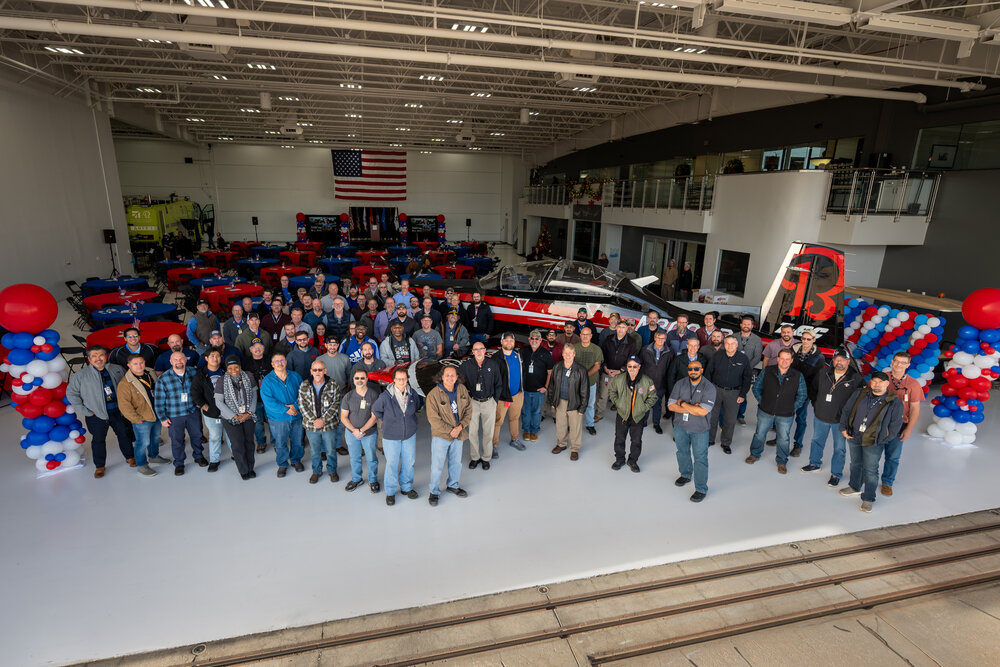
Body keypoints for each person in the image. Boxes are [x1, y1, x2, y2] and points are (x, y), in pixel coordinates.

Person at [839, 372, 904, 513]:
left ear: (887, 384)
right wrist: (843, 427)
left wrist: (882, 440)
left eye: (880, 382)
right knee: (855, 463)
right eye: (874, 381)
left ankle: (868, 498)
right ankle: (854, 486)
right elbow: (846, 410)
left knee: (870, 470)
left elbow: (896, 425)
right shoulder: (860, 393)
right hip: (854, 436)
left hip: (874, 441)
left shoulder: (893, 401)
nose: (877, 384)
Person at [67, 346, 135, 478]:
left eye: (101, 355)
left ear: (106, 356)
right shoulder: (80, 375)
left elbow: (128, 386)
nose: (98, 358)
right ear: (89, 359)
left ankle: (130, 457)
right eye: (94, 356)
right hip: (96, 415)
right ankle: (100, 466)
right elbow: (72, 394)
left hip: (117, 412)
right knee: (98, 440)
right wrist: (85, 411)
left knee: (124, 435)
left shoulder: (117, 369)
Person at [801, 348, 861, 487]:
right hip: (821, 416)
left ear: (848, 361)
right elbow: (813, 389)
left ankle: (836, 474)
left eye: (842, 360)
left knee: (839, 448)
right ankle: (814, 463)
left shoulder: (855, 378)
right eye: (836, 359)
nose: (839, 362)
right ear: (833, 360)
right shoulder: (823, 372)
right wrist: (816, 405)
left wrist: (851, 418)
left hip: (840, 421)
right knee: (816, 441)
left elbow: (860, 400)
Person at [747, 349, 808, 474]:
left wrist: (792, 408)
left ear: (791, 361)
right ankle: (754, 454)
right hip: (765, 411)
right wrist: (762, 401)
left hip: (785, 414)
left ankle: (781, 462)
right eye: (782, 358)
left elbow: (802, 395)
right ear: (778, 359)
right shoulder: (768, 371)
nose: (784, 361)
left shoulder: (797, 375)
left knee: (783, 439)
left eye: (787, 359)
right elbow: (756, 387)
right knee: (759, 434)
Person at [372, 368, 424, 506]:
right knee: (392, 464)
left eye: (404, 378)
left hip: (409, 435)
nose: (402, 381)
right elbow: (376, 410)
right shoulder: (385, 396)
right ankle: (390, 491)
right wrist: (390, 420)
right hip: (391, 436)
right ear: (393, 380)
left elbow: (417, 406)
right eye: (399, 379)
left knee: (409, 462)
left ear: (407, 379)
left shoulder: (412, 393)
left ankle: (406, 487)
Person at [668, 357, 716, 502]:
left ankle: (701, 488)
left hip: (699, 429)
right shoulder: (680, 383)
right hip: (680, 427)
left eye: (696, 369)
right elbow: (671, 406)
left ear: (701, 370)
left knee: (700, 458)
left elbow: (703, 412)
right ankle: (685, 474)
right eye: (690, 369)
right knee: (681, 452)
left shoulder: (709, 387)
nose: (693, 371)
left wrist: (682, 403)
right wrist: (693, 407)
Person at [116, 353, 170, 477]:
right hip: (142, 418)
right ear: (129, 365)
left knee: (155, 437)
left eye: (141, 362)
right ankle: (142, 465)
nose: (139, 366)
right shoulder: (125, 383)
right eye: (135, 364)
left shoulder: (150, 374)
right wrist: (136, 419)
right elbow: (124, 405)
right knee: (142, 442)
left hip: (156, 414)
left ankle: (154, 456)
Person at [154, 350, 207, 475]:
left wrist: (201, 401)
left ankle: (198, 456)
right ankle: (179, 463)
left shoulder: (193, 372)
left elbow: (202, 389)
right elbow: (159, 400)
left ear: (185, 360)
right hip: (174, 414)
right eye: (176, 359)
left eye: (181, 359)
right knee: (177, 440)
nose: (179, 362)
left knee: (197, 435)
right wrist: (162, 417)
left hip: (192, 412)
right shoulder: (163, 378)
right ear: (171, 362)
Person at [880, 351, 925, 496]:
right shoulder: (880, 378)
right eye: (896, 361)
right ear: (892, 361)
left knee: (893, 456)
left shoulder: (913, 384)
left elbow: (915, 409)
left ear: (908, 365)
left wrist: (909, 429)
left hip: (899, 426)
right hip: (878, 424)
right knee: (871, 454)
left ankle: (887, 482)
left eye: (903, 362)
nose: (899, 364)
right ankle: (867, 478)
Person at [425, 366, 472, 506]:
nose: (450, 378)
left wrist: (460, 427)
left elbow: (469, 410)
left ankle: (453, 485)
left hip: (459, 433)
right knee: (437, 465)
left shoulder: (462, 390)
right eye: (447, 375)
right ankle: (434, 491)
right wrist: (452, 430)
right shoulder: (433, 394)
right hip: (441, 436)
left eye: (453, 375)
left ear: (457, 377)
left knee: (456, 463)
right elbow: (433, 419)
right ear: (442, 376)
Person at [608, 355, 658, 473]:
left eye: (635, 366)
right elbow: (612, 391)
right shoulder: (618, 379)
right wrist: (618, 403)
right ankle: (619, 459)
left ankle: (633, 460)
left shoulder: (647, 381)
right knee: (619, 438)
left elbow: (653, 397)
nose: (632, 369)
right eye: (630, 366)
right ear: (627, 367)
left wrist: (643, 408)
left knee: (636, 440)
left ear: (639, 367)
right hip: (622, 414)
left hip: (638, 416)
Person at [704, 335, 752, 455]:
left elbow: (747, 378)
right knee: (712, 417)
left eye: (732, 344)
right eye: (727, 343)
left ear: (736, 345)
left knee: (730, 420)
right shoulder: (717, 356)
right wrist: (708, 389)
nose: (730, 346)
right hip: (716, 390)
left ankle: (726, 443)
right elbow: (708, 372)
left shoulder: (743, 358)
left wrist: (742, 394)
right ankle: (710, 440)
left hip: (734, 393)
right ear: (724, 345)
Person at [260, 352, 305, 478]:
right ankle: (282, 463)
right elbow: (268, 401)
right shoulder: (268, 381)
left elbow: (303, 393)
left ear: (286, 362)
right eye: (277, 361)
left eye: (282, 360)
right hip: (278, 418)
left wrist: (295, 407)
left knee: (297, 441)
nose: (280, 363)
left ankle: (296, 460)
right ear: (272, 364)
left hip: (296, 415)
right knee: (280, 443)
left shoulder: (295, 376)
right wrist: (286, 409)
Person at [459, 341, 503, 469]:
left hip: (489, 402)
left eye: (481, 349)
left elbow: (498, 384)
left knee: (488, 432)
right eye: (476, 350)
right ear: (472, 352)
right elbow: (459, 383)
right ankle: (475, 457)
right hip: (473, 402)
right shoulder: (466, 365)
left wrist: (494, 400)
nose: (478, 352)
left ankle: (486, 458)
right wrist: (465, 400)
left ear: (485, 350)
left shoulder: (492, 364)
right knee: (472, 432)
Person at [299, 360, 342, 484]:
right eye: (315, 370)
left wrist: (323, 420)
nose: (317, 372)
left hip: (329, 425)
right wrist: (314, 421)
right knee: (314, 451)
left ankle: (332, 470)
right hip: (311, 426)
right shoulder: (304, 385)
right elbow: (302, 405)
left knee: (330, 450)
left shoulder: (333, 384)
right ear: (311, 371)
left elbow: (335, 404)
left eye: (320, 369)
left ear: (325, 371)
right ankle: (316, 471)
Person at [215, 356, 258, 480]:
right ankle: (243, 470)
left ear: (240, 366)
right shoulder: (221, 381)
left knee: (249, 443)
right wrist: (235, 416)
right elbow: (219, 402)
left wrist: (249, 413)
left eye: (236, 367)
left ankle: (251, 467)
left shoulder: (248, 376)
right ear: (226, 368)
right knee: (237, 444)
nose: (233, 370)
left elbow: (254, 395)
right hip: (230, 418)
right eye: (230, 368)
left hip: (248, 415)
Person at [340, 369, 380, 493]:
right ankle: (357, 479)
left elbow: (374, 418)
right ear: (353, 380)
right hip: (352, 434)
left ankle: (373, 480)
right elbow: (343, 417)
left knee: (371, 458)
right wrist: (354, 431)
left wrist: (361, 430)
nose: (359, 380)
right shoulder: (348, 396)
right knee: (354, 457)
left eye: (362, 378)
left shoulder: (374, 395)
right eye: (357, 378)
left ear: (367, 379)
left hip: (369, 433)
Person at [547, 344, 589, 461]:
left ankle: (574, 449)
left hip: (575, 403)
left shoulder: (581, 370)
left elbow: (585, 390)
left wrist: (582, 408)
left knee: (575, 427)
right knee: (561, 425)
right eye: (566, 353)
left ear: (574, 354)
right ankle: (561, 444)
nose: (568, 355)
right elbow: (552, 385)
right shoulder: (557, 367)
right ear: (562, 354)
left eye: (570, 353)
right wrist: (552, 400)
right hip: (560, 401)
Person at [789, 328, 826, 455]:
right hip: (789, 389)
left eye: (808, 339)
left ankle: (798, 445)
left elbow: (816, 380)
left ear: (814, 340)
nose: (805, 341)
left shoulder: (819, 358)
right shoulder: (793, 350)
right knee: (783, 416)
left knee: (800, 419)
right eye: (803, 338)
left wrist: (809, 395)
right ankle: (779, 438)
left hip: (804, 393)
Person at [192, 348, 229, 472]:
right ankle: (214, 460)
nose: (215, 358)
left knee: (232, 435)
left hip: (229, 411)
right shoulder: (200, 374)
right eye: (212, 356)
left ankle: (236, 456)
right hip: (212, 413)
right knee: (215, 437)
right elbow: (195, 393)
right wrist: (205, 406)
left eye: (218, 356)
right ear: (206, 358)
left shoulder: (227, 370)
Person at [493, 332, 527, 455]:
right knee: (498, 421)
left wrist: (521, 389)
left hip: (517, 395)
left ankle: (514, 439)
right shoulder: (496, 358)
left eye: (511, 340)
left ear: (514, 342)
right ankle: (493, 445)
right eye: (506, 340)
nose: (509, 342)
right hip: (503, 397)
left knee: (514, 418)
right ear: (501, 342)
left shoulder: (517, 355)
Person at [520, 329, 554, 442]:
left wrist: (546, 387)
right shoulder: (523, 351)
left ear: (540, 340)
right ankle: (526, 430)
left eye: (537, 339)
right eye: (532, 338)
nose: (534, 341)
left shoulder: (546, 354)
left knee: (537, 411)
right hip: (525, 389)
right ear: (529, 339)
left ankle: (534, 430)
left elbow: (550, 372)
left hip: (539, 390)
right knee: (525, 411)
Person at [639, 329, 674, 434]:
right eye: (658, 338)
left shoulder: (669, 352)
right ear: (655, 338)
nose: (660, 340)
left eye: (662, 338)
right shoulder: (645, 350)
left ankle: (656, 424)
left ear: (665, 339)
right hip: (646, 383)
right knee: (645, 403)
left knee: (657, 405)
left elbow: (670, 369)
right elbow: (640, 365)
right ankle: (643, 421)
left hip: (660, 383)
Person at [574, 327, 604, 436]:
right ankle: (573, 424)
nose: (585, 336)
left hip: (590, 382)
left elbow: (597, 366)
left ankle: (590, 425)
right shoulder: (574, 348)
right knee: (575, 403)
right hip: (575, 382)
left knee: (590, 405)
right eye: (583, 334)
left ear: (591, 336)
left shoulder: (596, 349)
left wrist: (585, 376)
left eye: (587, 334)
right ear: (580, 335)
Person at [242, 342, 271, 453]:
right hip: (254, 398)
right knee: (257, 422)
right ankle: (261, 443)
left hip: (269, 397)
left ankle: (275, 442)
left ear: (264, 348)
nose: (257, 349)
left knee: (272, 420)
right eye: (255, 347)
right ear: (250, 349)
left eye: (260, 347)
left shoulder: (270, 360)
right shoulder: (245, 362)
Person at [735, 314, 764, 425]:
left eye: (749, 324)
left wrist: (747, 368)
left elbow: (757, 356)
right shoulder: (734, 336)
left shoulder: (757, 340)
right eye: (744, 324)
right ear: (741, 325)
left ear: (752, 326)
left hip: (747, 371)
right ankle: (730, 414)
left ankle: (740, 415)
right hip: (733, 369)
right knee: (730, 392)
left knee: (743, 393)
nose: (746, 326)